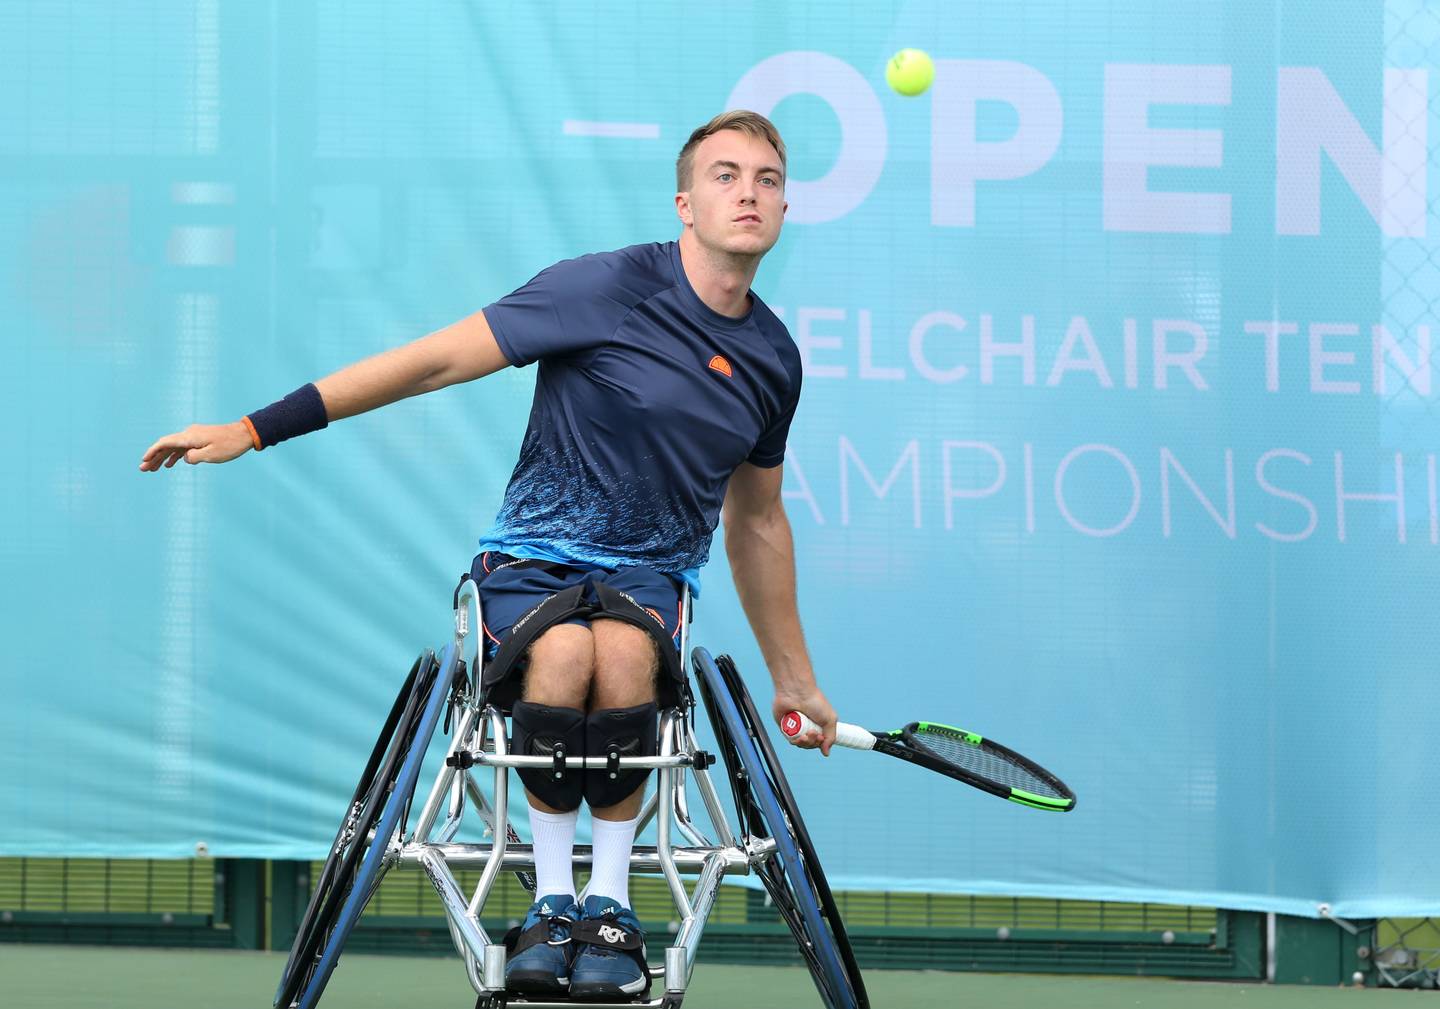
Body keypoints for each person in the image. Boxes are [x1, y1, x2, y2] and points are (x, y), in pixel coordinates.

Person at [139, 109, 837, 1001]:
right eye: (726, 175)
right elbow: (432, 362)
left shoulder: (774, 359)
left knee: (621, 650)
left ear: (782, 209)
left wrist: (795, 677)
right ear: (685, 202)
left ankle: (611, 906)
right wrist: (252, 428)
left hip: (651, 580)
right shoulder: (605, 287)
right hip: (532, 565)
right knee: (566, 650)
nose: (748, 193)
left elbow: (759, 522)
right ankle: (551, 903)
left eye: (767, 180)